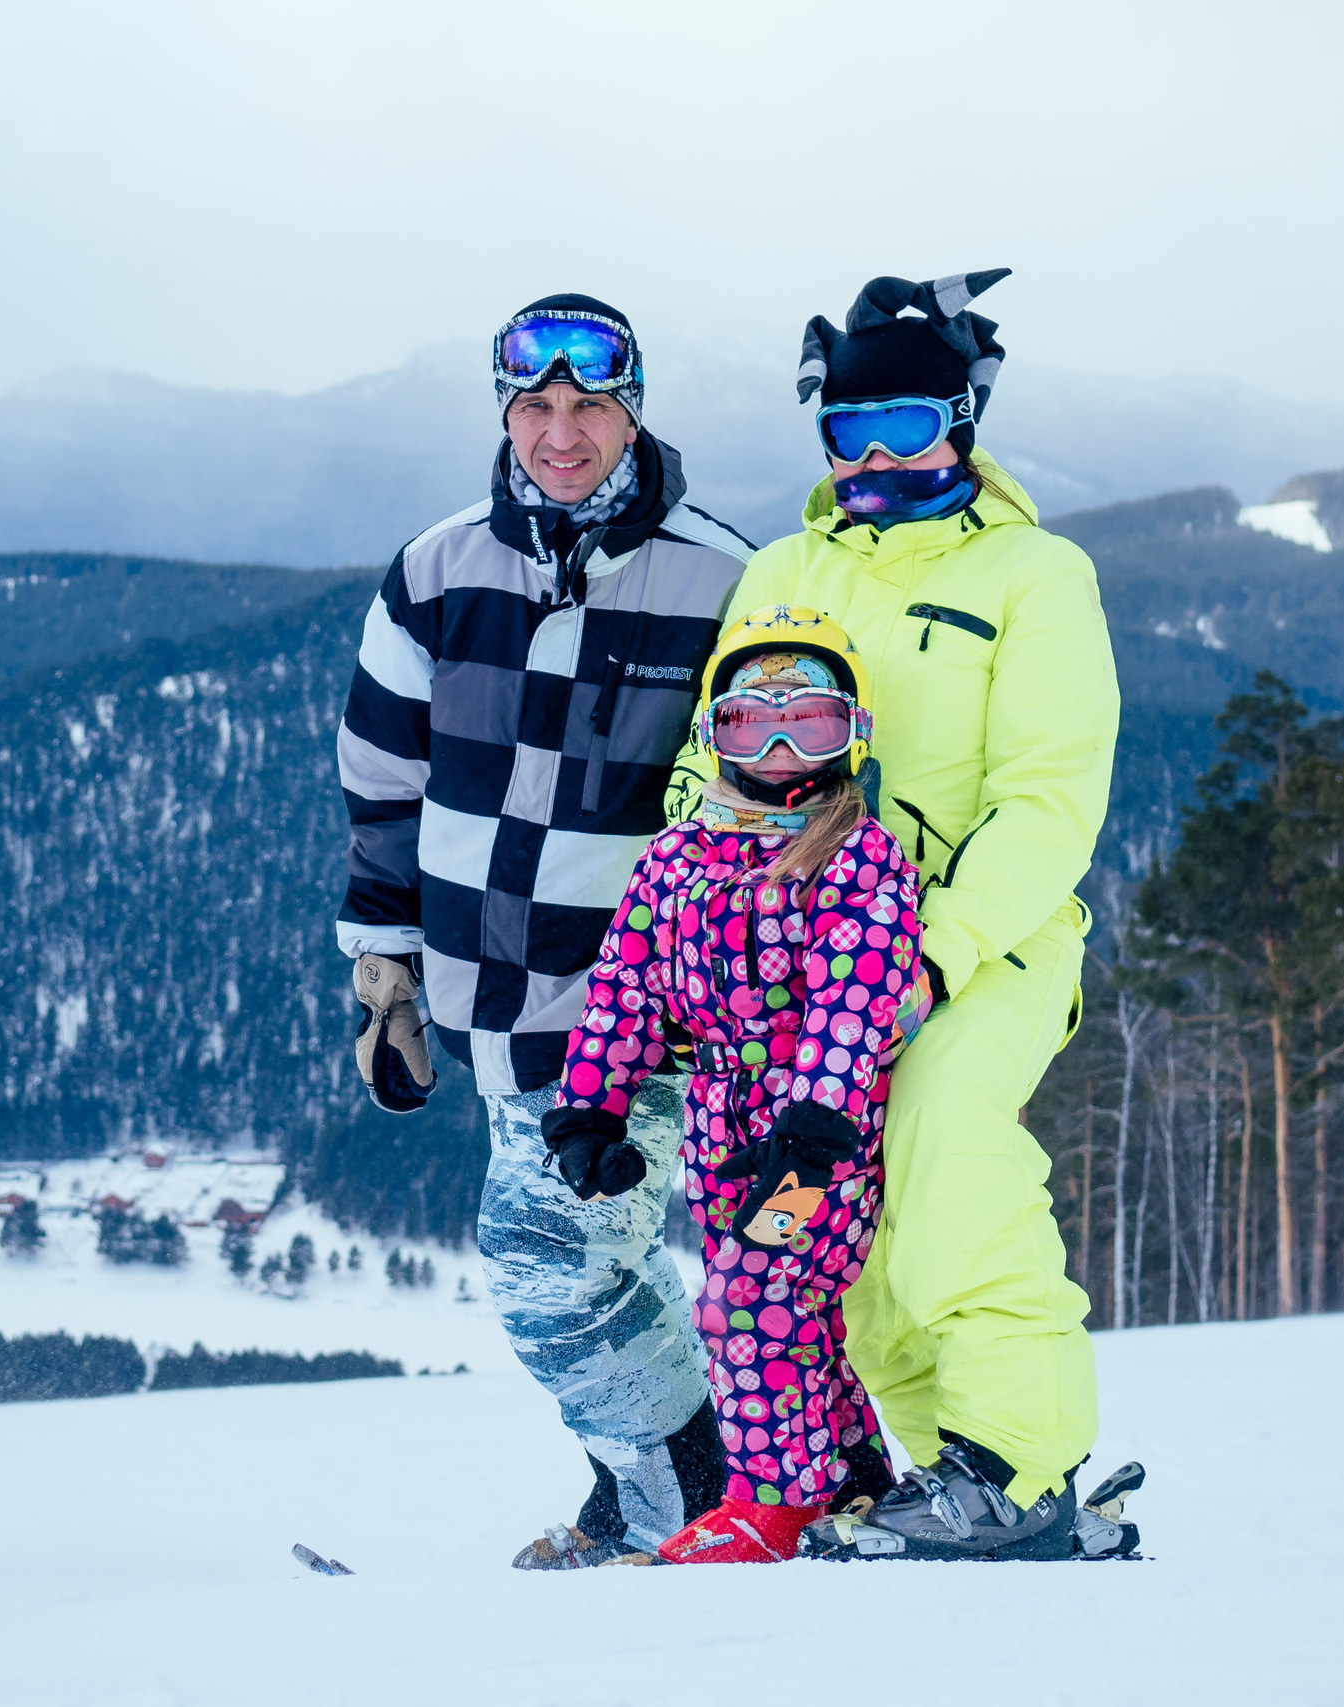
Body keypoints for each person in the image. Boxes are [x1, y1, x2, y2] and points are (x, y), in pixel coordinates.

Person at [665, 271, 1128, 1561]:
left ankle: (1021, 1467)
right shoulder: (782, 568)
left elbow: (1048, 799)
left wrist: (936, 954)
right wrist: (696, 927)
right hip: (793, 961)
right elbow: (716, 758)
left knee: (935, 1147)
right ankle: (944, 1469)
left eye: (909, 425)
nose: (876, 456)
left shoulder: (1036, 573)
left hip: (982, 945)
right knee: (831, 1221)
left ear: (962, 420)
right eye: (848, 432)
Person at [334, 293, 753, 1566]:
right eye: (536, 406)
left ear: (635, 412)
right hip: (484, 998)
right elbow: (379, 778)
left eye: (590, 407)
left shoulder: (723, 579)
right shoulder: (436, 568)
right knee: (603, 1273)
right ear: (506, 411)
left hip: (640, 1015)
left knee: (540, 1269)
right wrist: (385, 964)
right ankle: (683, 1493)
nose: (561, 435)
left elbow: (765, 797)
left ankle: (676, 1506)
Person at [540, 606, 928, 1563]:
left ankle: (772, 1506)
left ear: (854, 733)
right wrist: (590, 1106)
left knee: (746, 1303)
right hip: (720, 1128)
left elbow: (859, 990)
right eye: (754, 722)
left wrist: (815, 1122)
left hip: (813, 1137)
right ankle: (853, 1478)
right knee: (784, 1310)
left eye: (814, 722)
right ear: (714, 735)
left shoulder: (858, 856)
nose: (786, 749)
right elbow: (626, 986)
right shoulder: (678, 857)